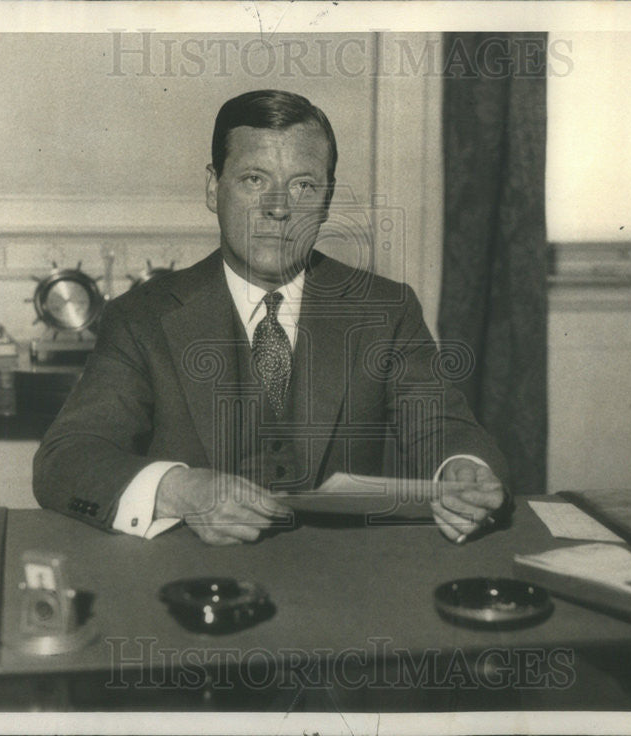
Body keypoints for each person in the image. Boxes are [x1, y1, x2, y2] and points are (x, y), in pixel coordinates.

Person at [33, 89, 510, 546]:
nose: (278, 208)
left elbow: (444, 428)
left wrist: (463, 471)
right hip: (194, 583)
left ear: (325, 201)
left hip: (342, 588)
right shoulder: (141, 318)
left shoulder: (384, 308)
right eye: (253, 180)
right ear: (213, 187)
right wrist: (184, 490)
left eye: (303, 185)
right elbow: (65, 459)